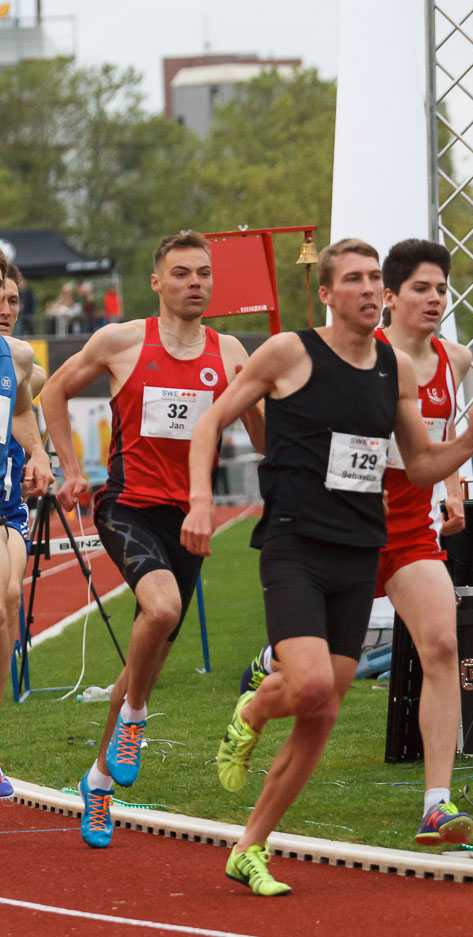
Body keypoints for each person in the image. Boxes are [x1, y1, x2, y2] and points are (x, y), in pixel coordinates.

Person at [181, 237, 473, 896]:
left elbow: (417, 466)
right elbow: (212, 420)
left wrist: (466, 444)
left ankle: (250, 846)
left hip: (362, 549)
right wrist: (199, 500)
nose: (365, 288)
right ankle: (251, 710)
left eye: (372, 278)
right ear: (326, 293)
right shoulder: (288, 352)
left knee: (324, 709)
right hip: (297, 542)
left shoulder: (397, 371)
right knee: (305, 687)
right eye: (352, 279)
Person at [240, 238, 473, 848]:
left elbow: (434, 441)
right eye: (421, 289)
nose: (434, 300)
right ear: (389, 298)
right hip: (341, 528)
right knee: (319, 682)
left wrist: (456, 485)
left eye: (442, 289)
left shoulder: (457, 359)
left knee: (443, 644)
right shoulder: (361, 356)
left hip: (407, 535)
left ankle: (436, 802)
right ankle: (271, 669)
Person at [40, 230, 264, 845]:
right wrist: (73, 468)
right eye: (183, 273)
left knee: (150, 654)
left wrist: (266, 401)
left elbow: (266, 441)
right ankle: (135, 719)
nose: (196, 283)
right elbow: (52, 391)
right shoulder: (121, 340)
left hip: (190, 518)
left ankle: (97, 781)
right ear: (157, 281)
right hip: (128, 505)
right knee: (160, 609)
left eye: (205, 274)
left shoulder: (232, 350)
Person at [0, 253, 55, 798]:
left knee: (10, 598)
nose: (6, 309)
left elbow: (22, 407)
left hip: (5, 509)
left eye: (13, 300)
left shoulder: (17, 358)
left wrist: (37, 454)